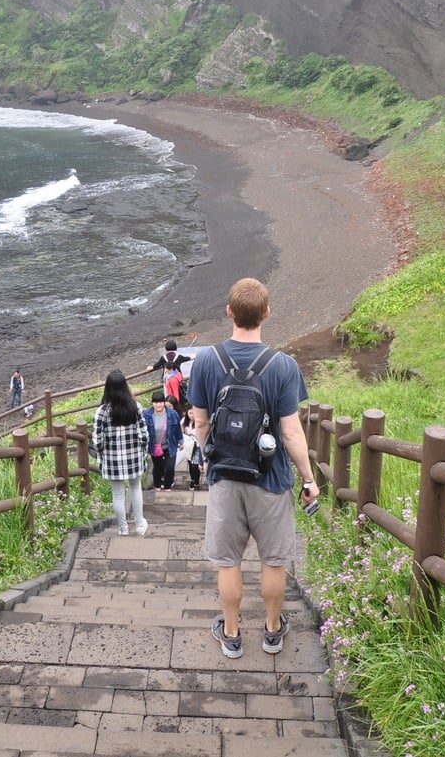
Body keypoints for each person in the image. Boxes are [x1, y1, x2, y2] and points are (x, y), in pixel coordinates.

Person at [188, 277, 319, 659]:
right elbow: (292, 432)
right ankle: (273, 630)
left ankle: (231, 634)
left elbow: (200, 423)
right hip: (272, 478)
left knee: (228, 562)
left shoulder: (208, 361)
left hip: (226, 478)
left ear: (229, 311)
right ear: (266, 313)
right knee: (273, 560)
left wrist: (212, 456)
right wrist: (308, 479)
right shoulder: (283, 366)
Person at [91, 369, 149, 536]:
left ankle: (123, 529)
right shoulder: (135, 407)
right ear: (125, 386)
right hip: (134, 455)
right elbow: (144, 433)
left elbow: (97, 440)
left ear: (107, 388)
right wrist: (143, 449)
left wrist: (100, 452)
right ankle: (139, 525)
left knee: (117, 495)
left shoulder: (101, 411)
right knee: (135, 488)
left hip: (112, 459)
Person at [143, 389, 184, 490]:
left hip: (170, 444)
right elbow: (143, 430)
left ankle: (167, 486)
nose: (159, 405)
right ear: (152, 403)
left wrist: (181, 441)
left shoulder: (172, 414)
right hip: (155, 445)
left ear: (164, 403)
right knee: (158, 467)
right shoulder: (147, 414)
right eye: (156, 403)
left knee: (170, 467)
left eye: (161, 402)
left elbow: (177, 429)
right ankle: (157, 486)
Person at [181, 407, 203, 489]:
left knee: (195, 465)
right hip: (188, 446)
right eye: (190, 413)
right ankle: (193, 480)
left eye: (193, 413)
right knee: (190, 464)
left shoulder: (200, 421)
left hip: (197, 447)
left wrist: (192, 433)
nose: (192, 415)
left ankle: (196, 482)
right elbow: (181, 431)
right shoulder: (185, 421)